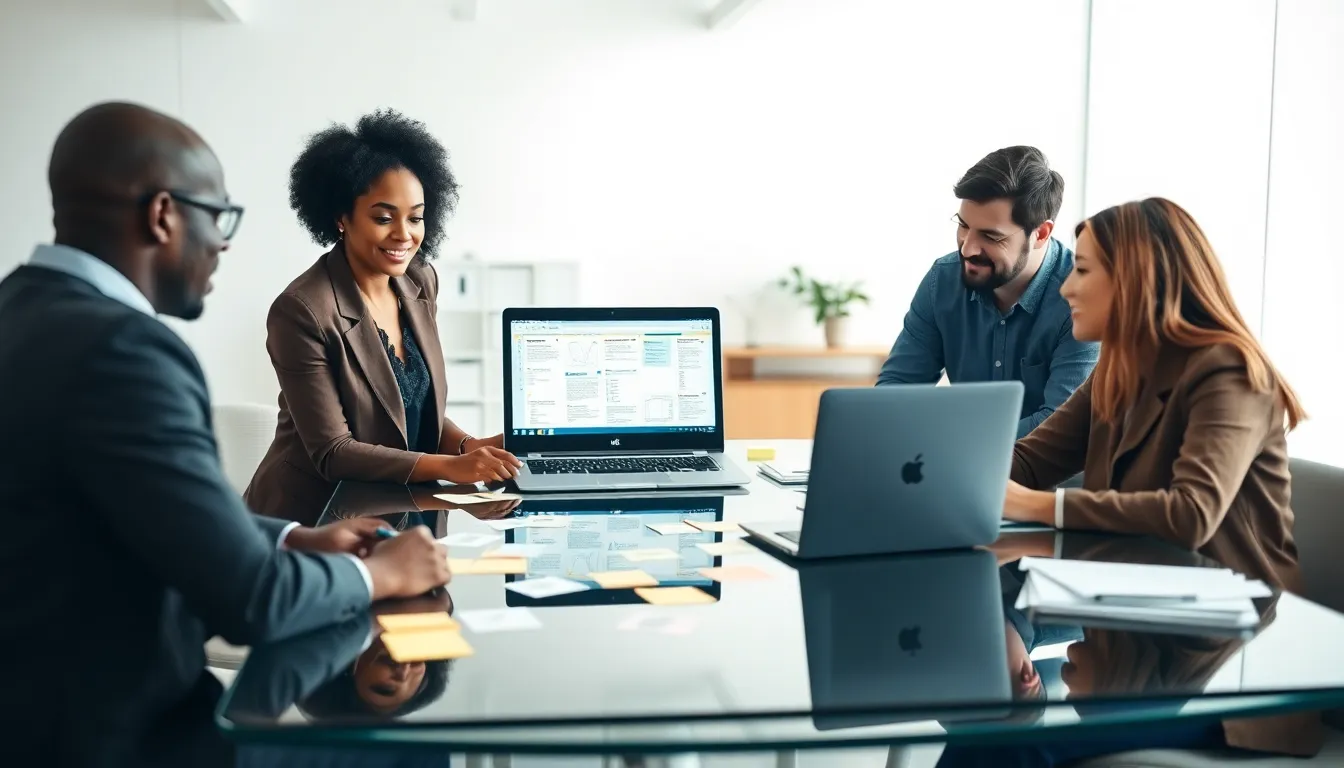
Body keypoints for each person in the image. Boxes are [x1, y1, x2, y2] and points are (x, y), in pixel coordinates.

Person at [0, 102, 454, 768]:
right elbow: (250, 601)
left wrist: (292, 536)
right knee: (415, 754)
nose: (223, 242)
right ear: (163, 215)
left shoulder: (20, 312)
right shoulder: (125, 351)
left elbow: (135, 521)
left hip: (37, 711)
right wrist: (376, 575)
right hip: (122, 737)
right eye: (218, 216)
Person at [943, 198, 1317, 766]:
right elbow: (1025, 461)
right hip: (1131, 616)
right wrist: (924, 477)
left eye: (1085, 271)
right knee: (986, 720)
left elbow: (1191, 513)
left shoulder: (1230, 369)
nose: (1066, 288)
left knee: (1001, 740)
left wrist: (1041, 507)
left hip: (1218, 661)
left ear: (1139, 279)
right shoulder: (1120, 366)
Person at [245, 109, 520, 526]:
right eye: (383, 217)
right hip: (314, 520)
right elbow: (333, 451)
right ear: (341, 218)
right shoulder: (301, 311)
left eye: (416, 217)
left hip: (405, 505)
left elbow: (408, 405)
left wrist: (467, 446)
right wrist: (450, 468)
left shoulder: (419, 280)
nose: (404, 235)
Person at [878, 146, 1099, 438]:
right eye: (963, 225)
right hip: (961, 467)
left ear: (1041, 234)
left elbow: (1063, 428)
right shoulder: (942, 281)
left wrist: (959, 444)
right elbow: (896, 393)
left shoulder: (1083, 297)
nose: (967, 248)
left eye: (991, 236)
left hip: (1050, 480)